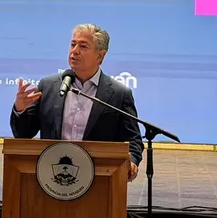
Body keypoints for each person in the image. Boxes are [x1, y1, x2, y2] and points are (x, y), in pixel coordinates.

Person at [10, 23, 144, 182]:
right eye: (73, 44)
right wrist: (20, 109)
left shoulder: (119, 94)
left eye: (83, 46)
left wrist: (132, 161)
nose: (74, 51)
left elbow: (133, 140)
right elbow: (23, 134)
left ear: (100, 56)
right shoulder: (48, 86)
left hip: (99, 177)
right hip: (52, 175)